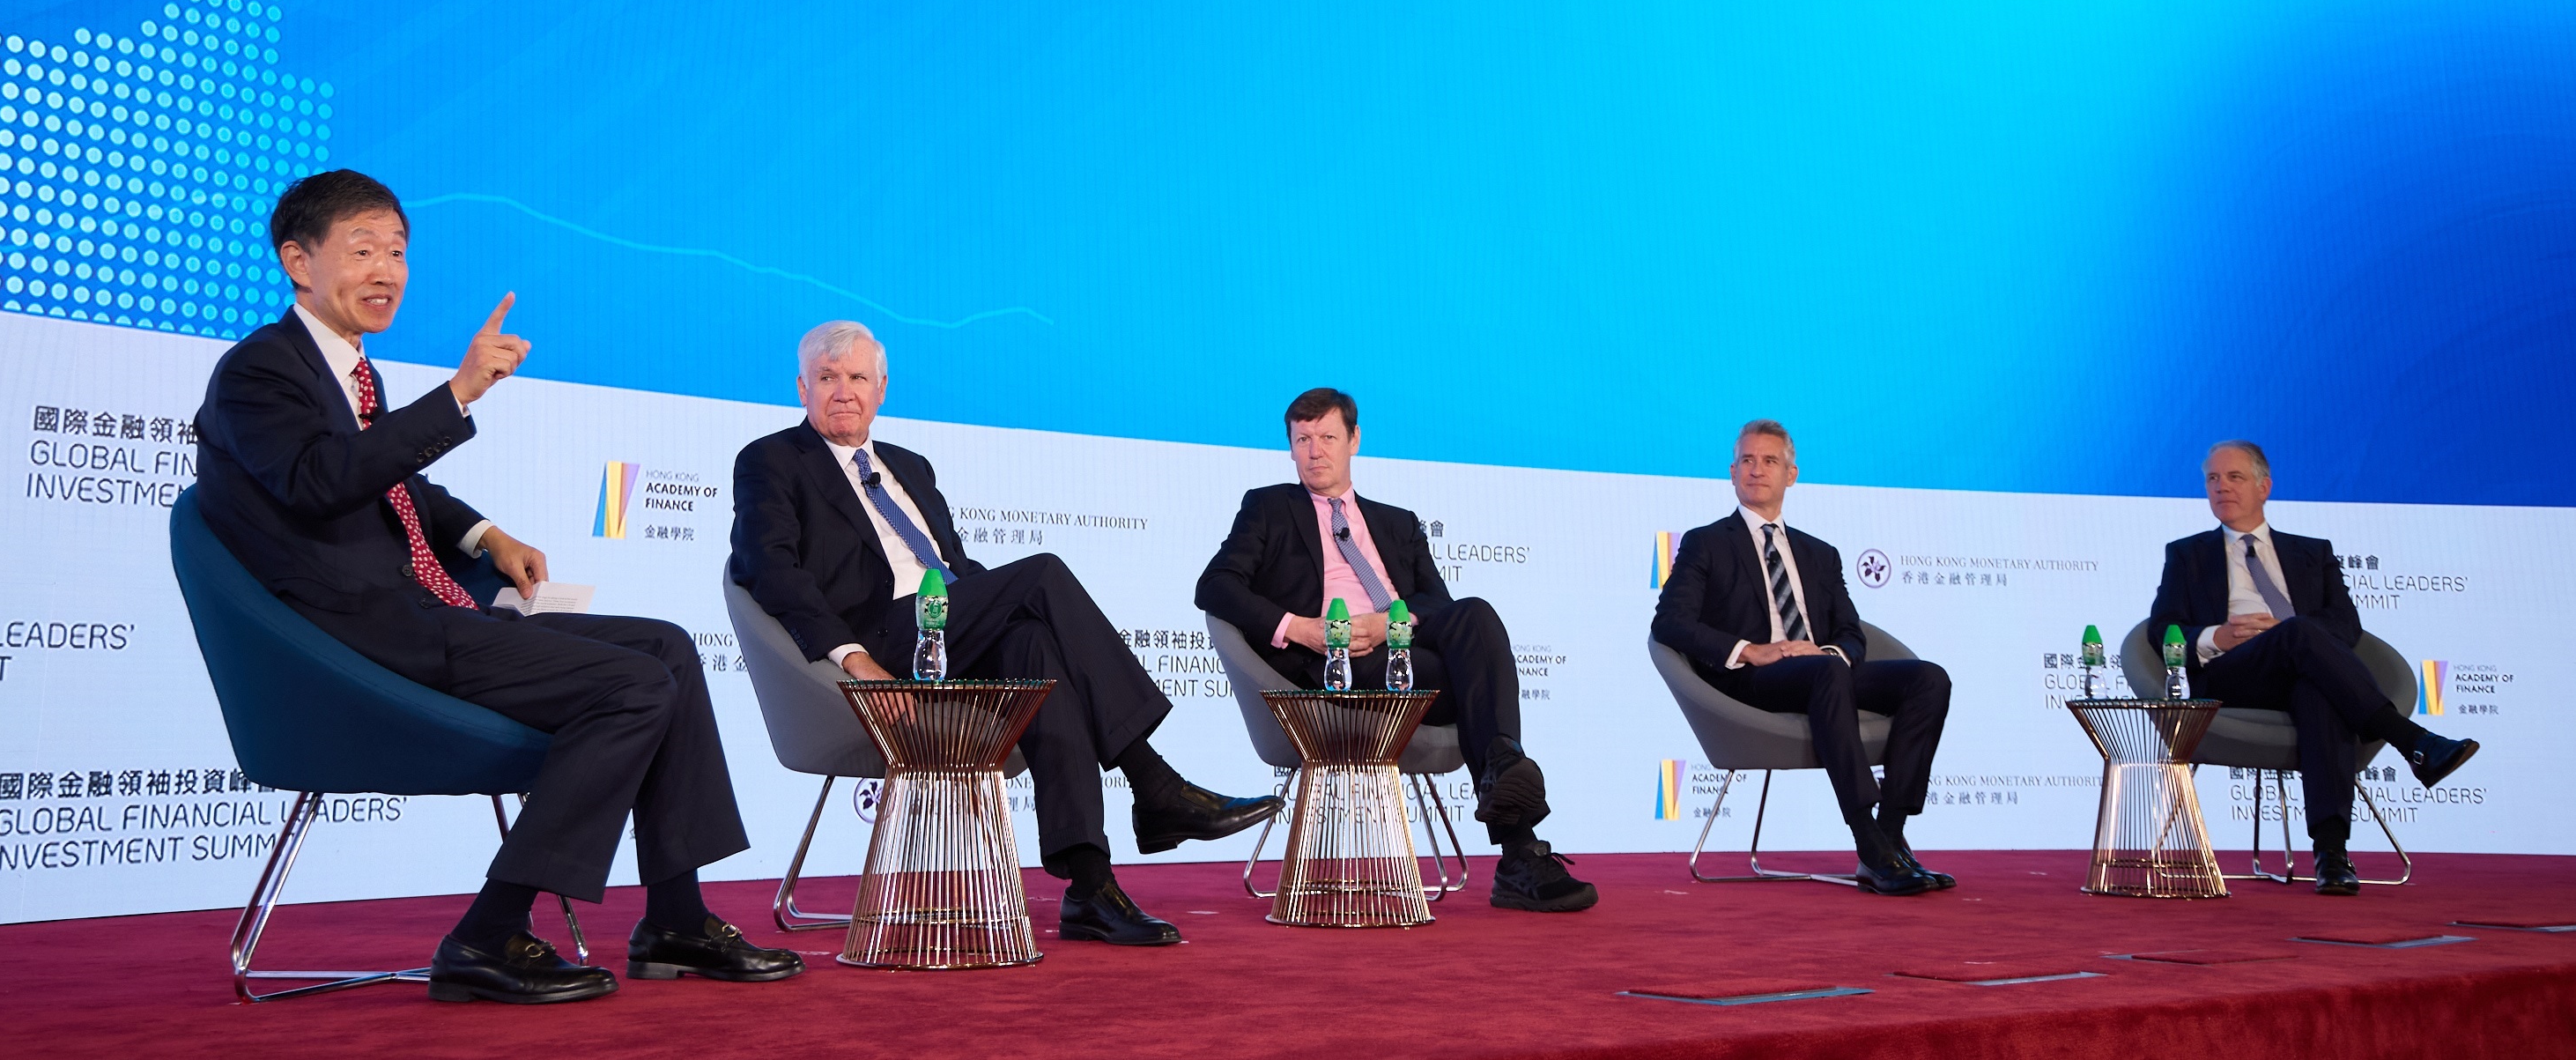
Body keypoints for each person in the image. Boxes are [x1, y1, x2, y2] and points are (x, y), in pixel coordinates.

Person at [194, 170, 797, 1004]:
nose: (386, 271)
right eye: (362, 250)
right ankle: (490, 931)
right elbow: (320, 481)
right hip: (358, 639)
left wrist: (484, 535)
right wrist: (459, 393)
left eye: (398, 252)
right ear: (298, 261)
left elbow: (391, 485)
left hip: (418, 613)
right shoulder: (260, 372)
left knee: (666, 646)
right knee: (629, 686)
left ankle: (675, 919)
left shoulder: (343, 373)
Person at [729, 321, 1278, 946]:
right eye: (827, 379)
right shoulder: (771, 462)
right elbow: (769, 571)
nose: (844, 392)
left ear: (882, 388)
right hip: (880, 638)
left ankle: (1090, 887)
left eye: (857, 378)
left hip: (947, 626)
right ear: (802, 387)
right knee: (1042, 576)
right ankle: (1155, 785)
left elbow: (957, 570)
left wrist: (1000, 606)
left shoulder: (911, 466)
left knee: (1037, 651)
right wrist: (854, 659)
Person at [1195, 388, 1597, 912]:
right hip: (1332, 668)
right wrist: (1303, 628)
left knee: (1472, 612)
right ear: (1291, 448)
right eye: (1302, 440)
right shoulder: (1268, 508)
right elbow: (1216, 587)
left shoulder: (1397, 522)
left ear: (1355, 440)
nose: (1315, 451)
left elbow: (1436, 602)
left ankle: (1504, 773)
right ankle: (1518, 845)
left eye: (1328, 438)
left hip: (1401, 653)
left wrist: (1388, 624)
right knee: (1473, 680)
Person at [2148, 440, 2477, 894]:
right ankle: (2413, 740)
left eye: (2235, 477)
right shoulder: (2187, 554)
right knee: (2298, 633)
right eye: (2212, 479)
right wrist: (2216, 636)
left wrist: (2291, 638)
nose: (2221, 487)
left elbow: (2345, 627)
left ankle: (2331, 853)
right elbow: (2161, 628)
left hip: (2303, 668)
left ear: (2264, 487)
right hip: (2232, 675)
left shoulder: (2311, 552)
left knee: (2316, 687)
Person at [1651, 419, 1953, 896]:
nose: (1756, 470)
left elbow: (1851, 634)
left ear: (1791, 474)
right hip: (1756, 680)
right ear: (1732, 472)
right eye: (1747, 461)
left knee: (1929, 680)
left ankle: (1889, 835)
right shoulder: (1706, 542)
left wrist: (1825, 650)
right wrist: (1750, 650)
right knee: (1828, 673)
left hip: (1821, 670)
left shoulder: (1819, 554)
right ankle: (1865, 834)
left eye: (1769, 461)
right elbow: (1669, 622)